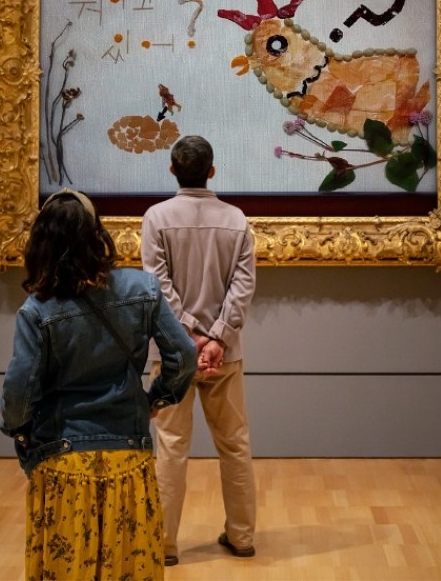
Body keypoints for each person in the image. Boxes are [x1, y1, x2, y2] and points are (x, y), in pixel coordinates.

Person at [0, 188, 197, 581]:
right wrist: (156, 399)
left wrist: (20, 434)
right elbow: (184, 355)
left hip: (63, 458)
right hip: (129, 455)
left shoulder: (37, 310)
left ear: (41, 242)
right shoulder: (142, 290)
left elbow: (19, 390)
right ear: (96, 233)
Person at [141, 135, 257, 566]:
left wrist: (188, 336)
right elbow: (243, 287)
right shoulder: (236, 219)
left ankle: (165, 545)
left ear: (173, 170)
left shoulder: (156, 217)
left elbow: (157, 285)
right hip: (225, 354)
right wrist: (217, 338)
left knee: (171, 446)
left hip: (173, 353)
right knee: (235, 445)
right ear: (211, 171)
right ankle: (242, 537)